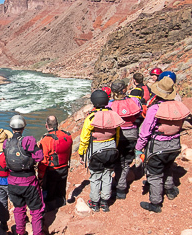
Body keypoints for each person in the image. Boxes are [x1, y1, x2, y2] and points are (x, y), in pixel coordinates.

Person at [136, 77, 190, 213]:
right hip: (175, 143)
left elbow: (145, 131)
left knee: (154, 173)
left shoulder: (155, 109)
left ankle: (155, 203)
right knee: (168, 166)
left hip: (158, 145)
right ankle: (170, 189)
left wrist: (138, 147)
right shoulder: (180, 106)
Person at [3, 115, 55, 235]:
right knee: (36, 210)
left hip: (12, 182)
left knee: (19, 209)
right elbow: (39, 156)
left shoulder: (6, 143)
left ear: (11, 128)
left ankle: (21, 234)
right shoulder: (28, 141)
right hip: (29, 181)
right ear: (23, 127)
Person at [78, 90, 124, 212]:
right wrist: (115, 147)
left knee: (95, 176)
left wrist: (82, 153)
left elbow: (84, 138)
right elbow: (118, 134)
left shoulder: (91, 117)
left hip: (96, 149)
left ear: (94, 102)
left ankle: (94, 202)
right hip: (111, 147)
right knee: (107, 174)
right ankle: (104, 202)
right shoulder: (113, 115)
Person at [107, 80, 142, 199]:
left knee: (118, 161)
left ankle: (119, 186)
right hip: (132, 133)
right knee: (126, 161)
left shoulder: (110, 104)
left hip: (117, 135)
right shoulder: (134, 100)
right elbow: (139, 114)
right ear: (124, 89)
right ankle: (121, 186)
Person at [38, 115, 73, 211]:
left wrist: (40, 176)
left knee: (49, 192)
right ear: (57, 124)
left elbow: (43, 161)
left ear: (46, 126)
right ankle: (62, 205)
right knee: (61, 189)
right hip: (64, 167)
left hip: (51, 170)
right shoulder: (67, 135)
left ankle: (50, 210)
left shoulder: (45, 140)